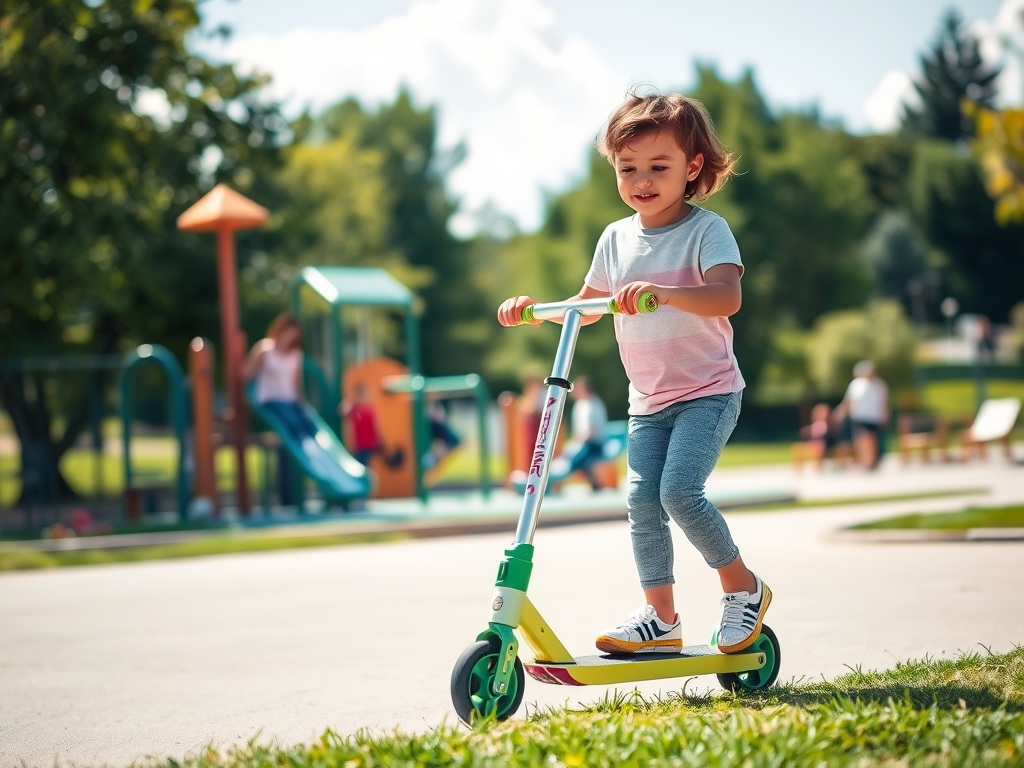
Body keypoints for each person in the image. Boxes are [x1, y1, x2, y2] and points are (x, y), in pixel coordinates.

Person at [497, 91, 770, 656]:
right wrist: (534, 309)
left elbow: (727, 296)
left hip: (707, 391)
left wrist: (664, 294)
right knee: (642, 502)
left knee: (679, 493)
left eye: (658, 167)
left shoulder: (706, 230)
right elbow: (589, 305)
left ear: (692, 167)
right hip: (647, 399)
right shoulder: (615, 238)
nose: (642, 180)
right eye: (628, 169)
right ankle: (661, 618)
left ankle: (742, 587)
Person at [243, 312, 314, 503]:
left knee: (308, 428)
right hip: (270, 401)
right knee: (291, 426)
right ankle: (287, 493)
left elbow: (296, 385)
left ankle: (302, 482)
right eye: (288, 332)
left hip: (290, 401)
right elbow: (246, 373)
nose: (290, 337)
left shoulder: (295, 356)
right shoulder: (265, 349)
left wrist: (303, 406)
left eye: (294, 334)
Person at [833, 360, 889, 470]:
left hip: (874, 417)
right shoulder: (855, 384)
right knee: (860, 439)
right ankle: (865, 461)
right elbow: (848, 401)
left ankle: (871, 462)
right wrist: (841, 412)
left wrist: (885, 415)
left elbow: (884, 402)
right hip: (859, 416)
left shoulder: (879, 385)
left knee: (871, 440)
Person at [565, 376, 608, 490]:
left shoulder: (594, 404)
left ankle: (557, 483)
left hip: (593, 443)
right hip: (584, 442)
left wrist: (578, 442)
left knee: (576, 460)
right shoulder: (580, 405)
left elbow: (591, 429)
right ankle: (596, 484)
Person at [341, 382, 385, 467]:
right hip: (358, 446)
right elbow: (342, 412)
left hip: (369, 445)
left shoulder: (369, 411)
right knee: (359, 465)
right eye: (360, 394)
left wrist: (380, 441)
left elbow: (375, 428)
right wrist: (349, 400)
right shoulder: (354, 409)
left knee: (365, 465)